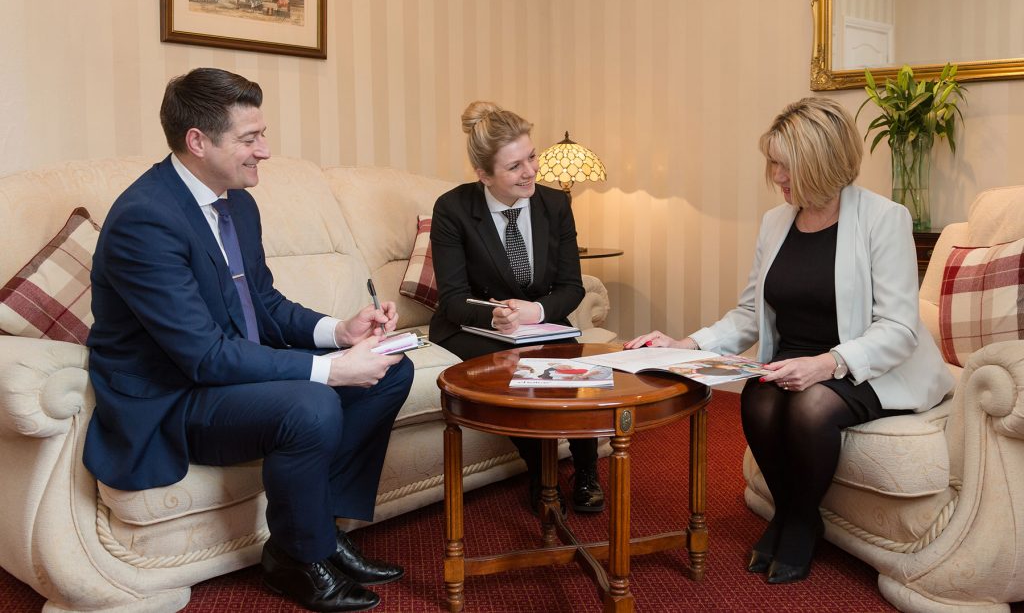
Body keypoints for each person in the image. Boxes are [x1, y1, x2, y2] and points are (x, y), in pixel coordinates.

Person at [84, 68, 414, 612]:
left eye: (262, 134)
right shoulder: (145, 219)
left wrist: (340, 332)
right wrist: (331, 370)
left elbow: (261, 303)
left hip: (220, 374)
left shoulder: (235, 201)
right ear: (198, 141)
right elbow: (203, 355)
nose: (264, 150)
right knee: (310, 403)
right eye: (249, 137)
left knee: (389, 366)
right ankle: (295, 557)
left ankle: (326, 533)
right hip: (171, 397)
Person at [626, 97, 953, 584]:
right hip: (795, 359)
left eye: (785, 165)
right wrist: (686, 344)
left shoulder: (884, 219)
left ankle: (798, 522)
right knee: (758, 397)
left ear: (820, 163)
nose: (775, 175)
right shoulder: (775, 222)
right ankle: (792, 511)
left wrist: (827, 364)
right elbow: (748, 314)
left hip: (870, 363)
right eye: (773, 163)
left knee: (809, 407)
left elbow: (900, 328)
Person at [429, 101, 605, 515]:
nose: (530, 171)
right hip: (471, 326)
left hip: (539, 322)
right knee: (516, 370)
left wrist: (537, 313)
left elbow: (571, 286)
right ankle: (542, 475)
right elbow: (452, 298)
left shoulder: (554, 204)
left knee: (572, 363)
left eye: (531, 157)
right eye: (514, 166)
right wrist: (492, 314)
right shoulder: (453, 209)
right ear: (483, 175)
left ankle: (586, 471)